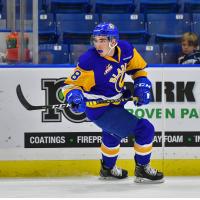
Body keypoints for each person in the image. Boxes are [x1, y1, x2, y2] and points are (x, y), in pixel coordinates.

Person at [62, 22, 164, 183]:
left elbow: (138, 70)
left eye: (102, 40)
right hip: (99, 109)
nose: (97, 44)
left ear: (113, 41)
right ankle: (142, 168)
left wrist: (141, 85)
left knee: (112, 134)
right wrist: (74, 97)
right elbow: (70, 85)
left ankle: (108, 169)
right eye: (95, 40)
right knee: (145, 129)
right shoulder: (89, 60)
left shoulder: (126, 49)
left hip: (116, 103)